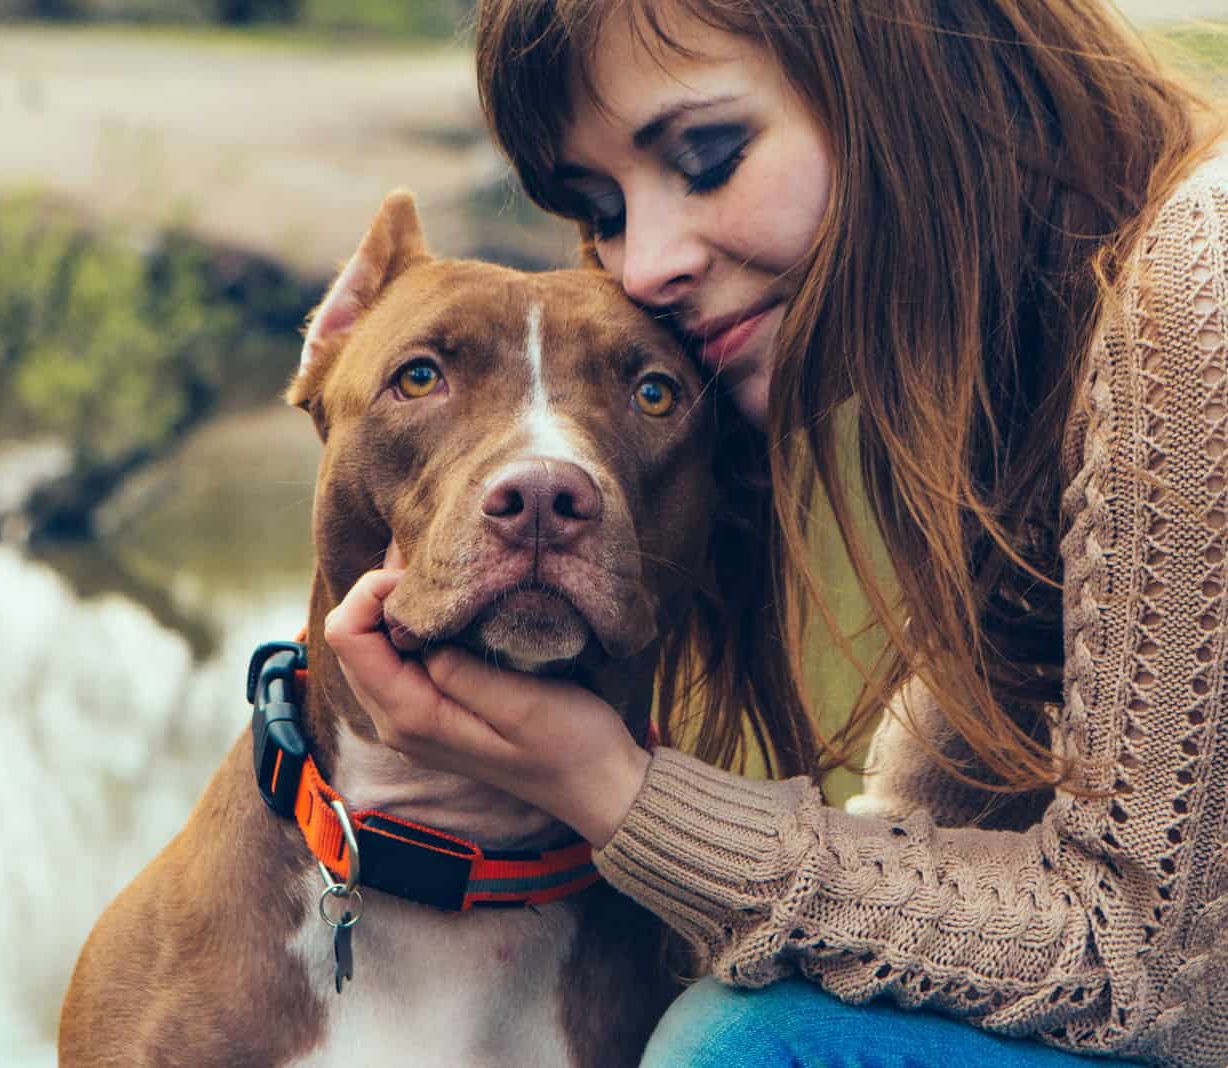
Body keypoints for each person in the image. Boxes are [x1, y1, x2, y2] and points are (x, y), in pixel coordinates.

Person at [322, 1, 1228, 1065]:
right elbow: (937, 834)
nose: (641, 264)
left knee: (754, 1044)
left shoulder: (1196, 299)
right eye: (603, 209)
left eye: (707, 159)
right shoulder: (1010, 375)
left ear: (903, 73)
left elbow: (1149, 959)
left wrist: (615, 791)